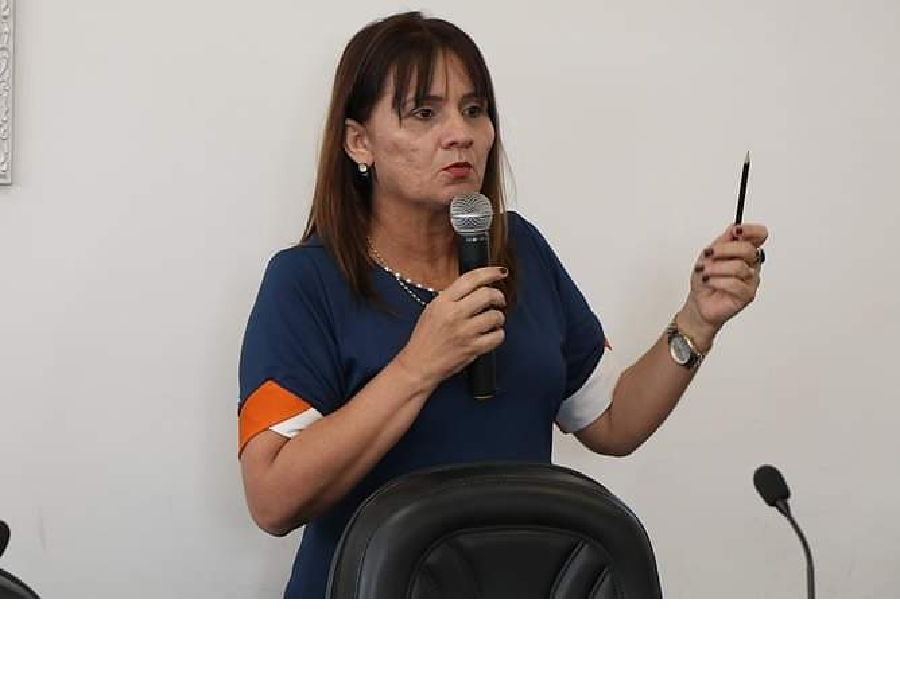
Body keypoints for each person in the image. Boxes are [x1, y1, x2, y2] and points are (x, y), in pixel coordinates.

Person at [236, 11, 768, 599]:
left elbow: (613, 421)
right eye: (424, 113)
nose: (460, 134)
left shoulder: (522, 252)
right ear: (359, 141)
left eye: (474, 109)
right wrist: (418, 367)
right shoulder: (306, 281)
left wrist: (698, 319)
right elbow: (273, 498)